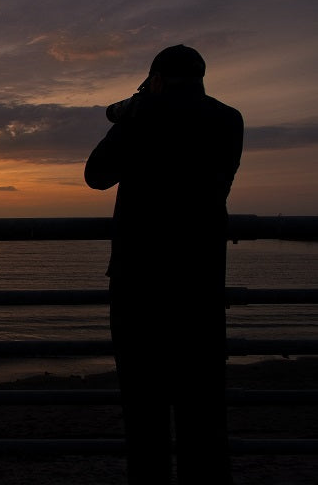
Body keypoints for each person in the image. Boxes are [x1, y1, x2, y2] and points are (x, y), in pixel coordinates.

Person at [84, 44, 244, 484]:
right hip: (201, 281)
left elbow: (96, 175)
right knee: (203, 412)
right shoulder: (229, 119)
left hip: (139, 281)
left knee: (144, 412)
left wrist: (135, 113)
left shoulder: (141, 118)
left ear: (155, 80)